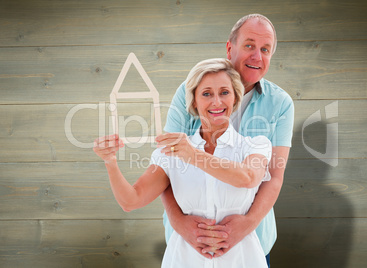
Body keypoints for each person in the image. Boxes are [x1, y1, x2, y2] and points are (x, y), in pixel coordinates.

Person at [93, 58, 271, 267]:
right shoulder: (170, 153)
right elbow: (131, 201)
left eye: (224, 92)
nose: (216, 102)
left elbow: (248, 178)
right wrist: (110, 161)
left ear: (235, 98)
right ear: (194, 101)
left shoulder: (256, 145)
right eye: (206, 94)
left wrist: (192, 155)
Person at [160, 14, 294, 266]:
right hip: (189, 239)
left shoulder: (281, 103)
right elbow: (166, 165)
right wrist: (179, 223)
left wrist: (248, 224)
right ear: (230, 47)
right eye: (249, 45)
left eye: (265, 49)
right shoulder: (188, 91)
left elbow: (274, 176)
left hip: (252, 238)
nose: (257, 56)